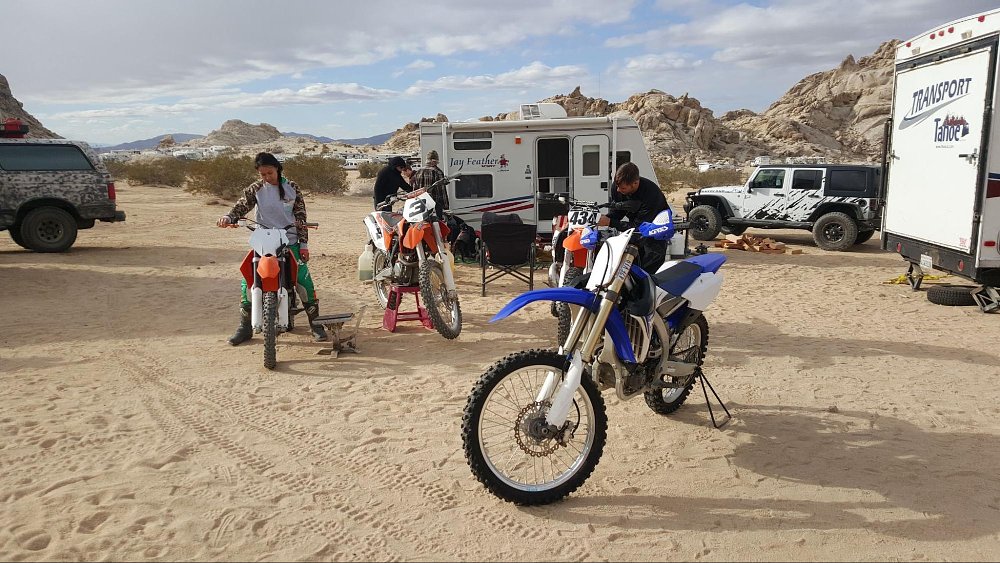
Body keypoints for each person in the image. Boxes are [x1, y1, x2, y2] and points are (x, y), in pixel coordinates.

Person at [217, 152, 328, 345]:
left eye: (270, 173)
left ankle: (316, 324)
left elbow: (301, 218)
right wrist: (228, 218)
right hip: (262, 241)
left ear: (277, 168)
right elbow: (241, 208)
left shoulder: (292, 188)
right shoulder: (256, 188)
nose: (267, 177)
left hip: (289, 240)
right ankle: (245, 327)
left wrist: (303, 245)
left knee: (303, 280)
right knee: (248, 279)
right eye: (263, 174)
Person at [598, 161, 673, 273]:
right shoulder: (618, 187)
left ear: (635, 183)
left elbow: (639, 228)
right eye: (617, 187)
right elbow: (618, 212)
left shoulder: (651, 194)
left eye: (623, 188)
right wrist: (603, 219)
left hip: (653, 232)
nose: (618, 190)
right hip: (636, 227)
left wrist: (610, 222)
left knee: (647, 270)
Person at [410, 150, 448, 219]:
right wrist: (446, 207)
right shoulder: (437, 172)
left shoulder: (418, 172)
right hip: (434, 207)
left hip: (421, 206)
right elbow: (442, 192)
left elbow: (415, 191)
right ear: (434, 161)